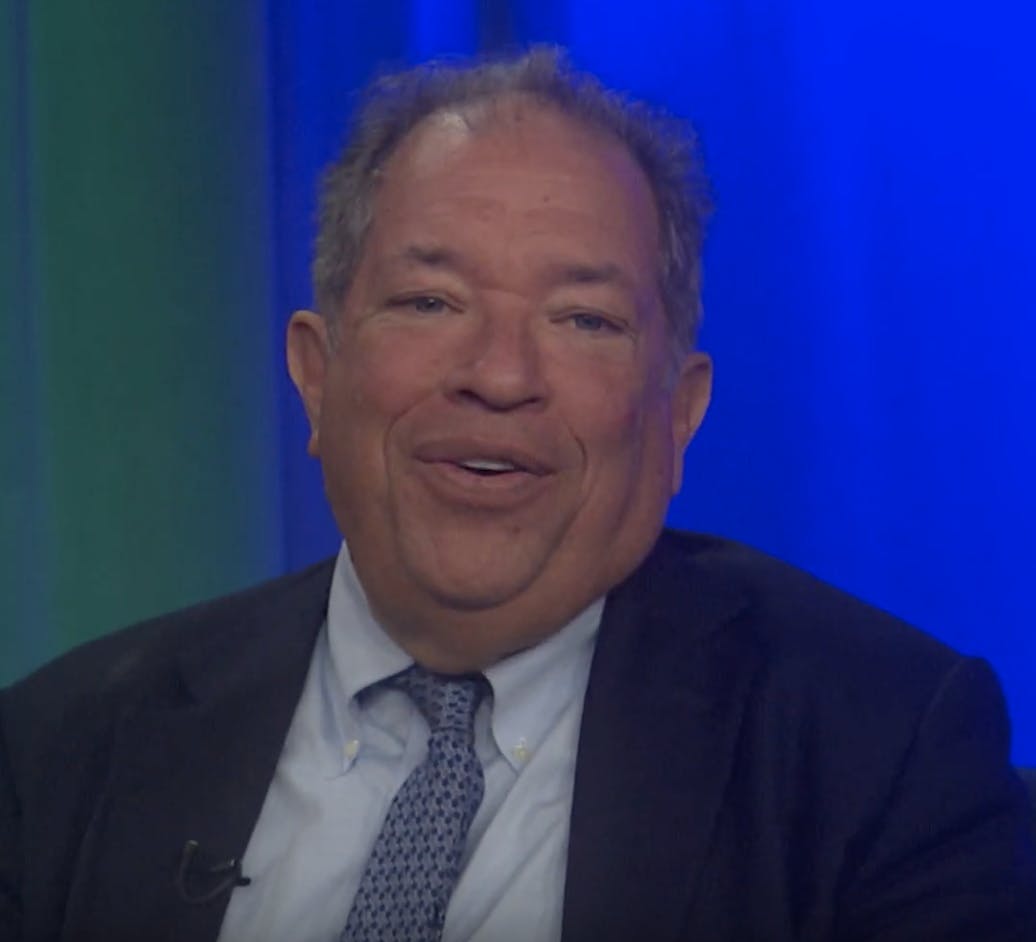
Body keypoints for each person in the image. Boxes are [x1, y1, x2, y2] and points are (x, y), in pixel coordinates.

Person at [1, 47, 1034, 942]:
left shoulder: (882, 758)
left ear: (677, 414)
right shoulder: (58, 753)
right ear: (317, 376)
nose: (499, 376)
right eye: (429, 301)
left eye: (583, 319)